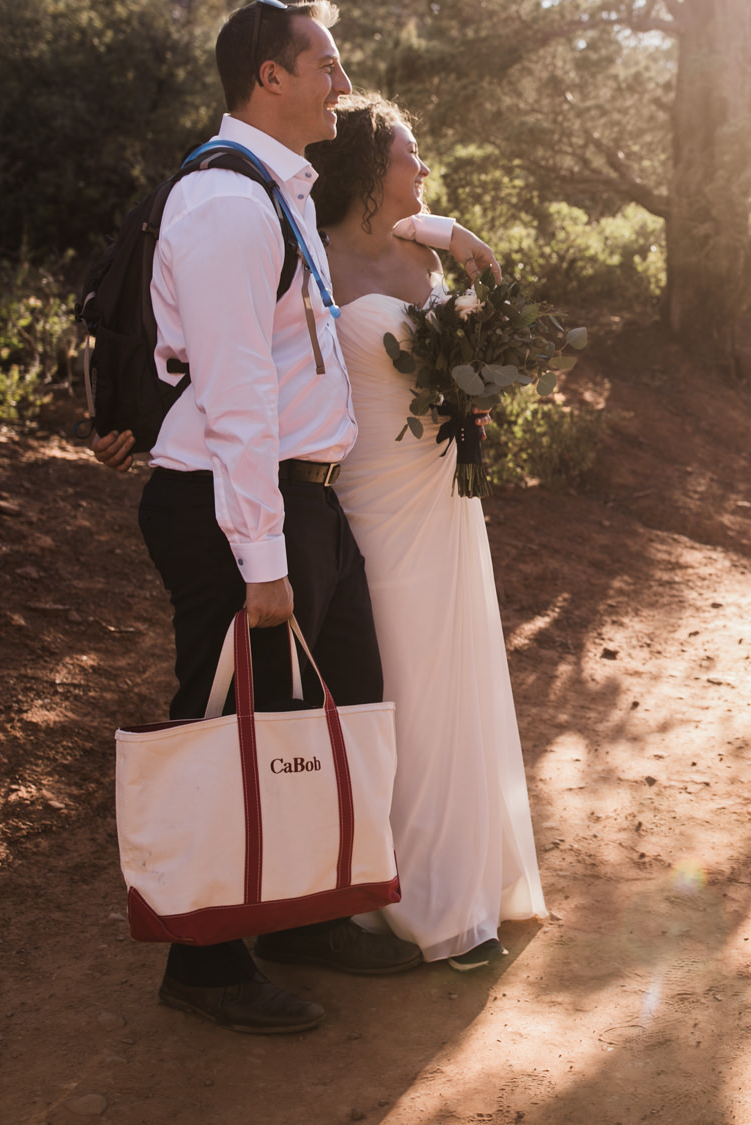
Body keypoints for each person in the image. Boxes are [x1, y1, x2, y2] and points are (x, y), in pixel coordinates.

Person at [91, 0, 425, 1033]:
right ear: (267, 79)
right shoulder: (225, 204)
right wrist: (263, 557)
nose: (340, 81)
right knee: (222, 728)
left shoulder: (278, 194)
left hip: (300, 497)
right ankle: (202, 962)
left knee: (330, 703)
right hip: (237, 505)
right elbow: (236, 398)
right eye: (324, 62)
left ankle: (290, 914)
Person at [305, 93, 547, 970]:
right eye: (413, 157)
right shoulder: (315, 256)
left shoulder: (420, 247)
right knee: (394, 686)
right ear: (372, 170)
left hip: (443, 491)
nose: (425, 170)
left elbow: (492, 318)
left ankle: (458, 882)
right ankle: (390, 891)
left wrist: (451, 236)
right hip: (368, 495)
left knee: (450, 679)